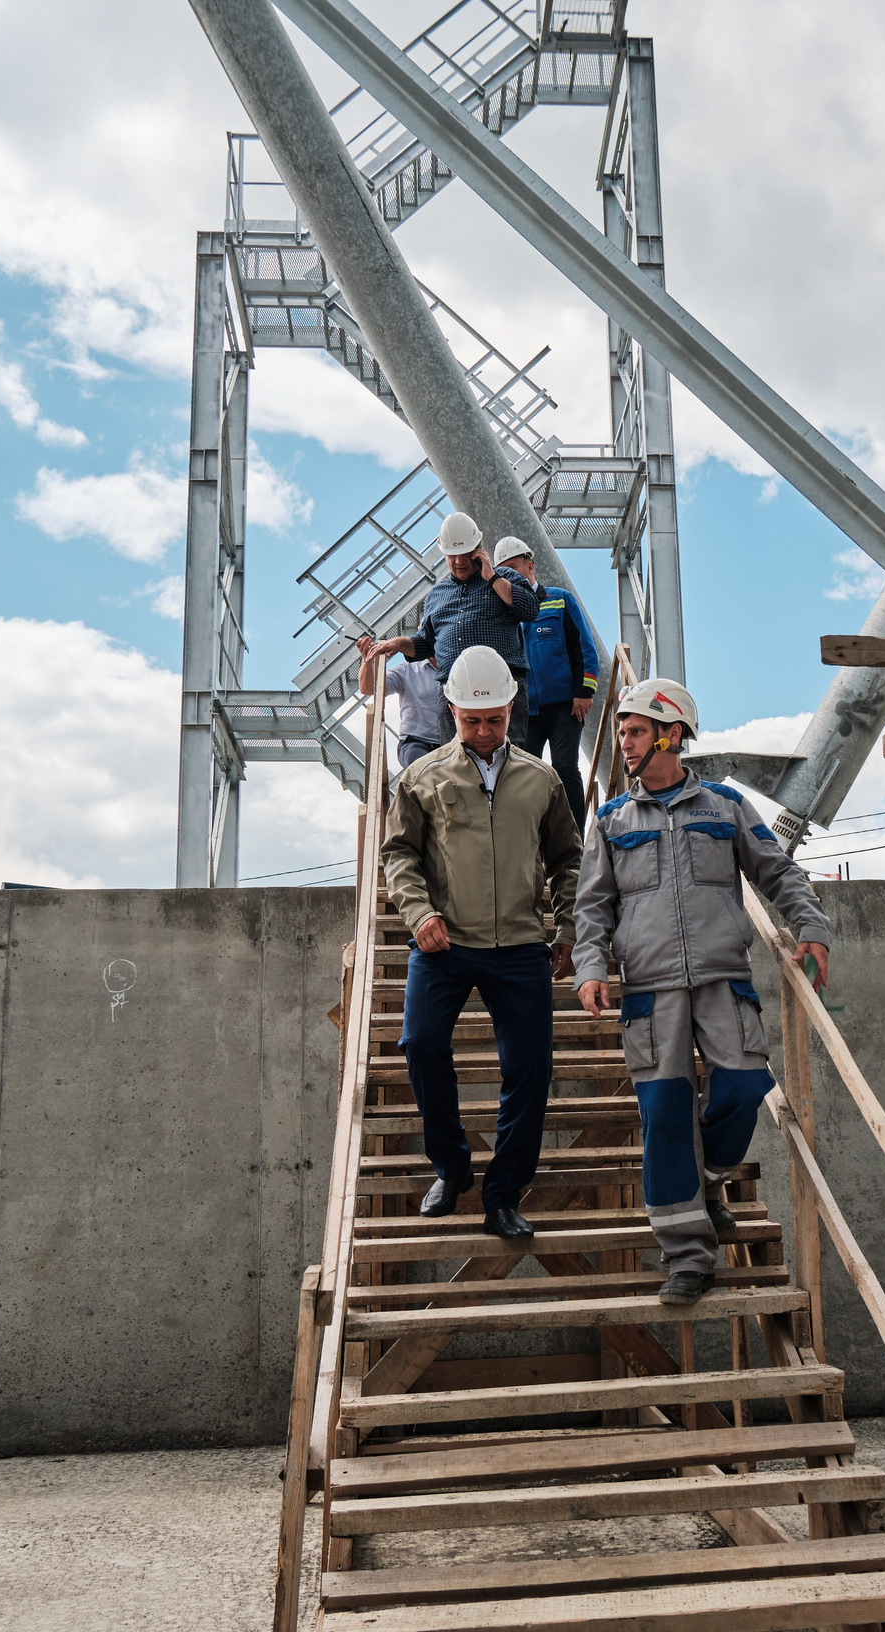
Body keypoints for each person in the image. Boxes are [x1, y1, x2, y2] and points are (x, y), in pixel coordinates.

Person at [572, 677, 832, 1304]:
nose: (625, 743)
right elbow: (592, 908)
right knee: (665, 1116)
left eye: (636, 731)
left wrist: (811, 926)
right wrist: (590, 967)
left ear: (672, 734)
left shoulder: (725, 807)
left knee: (743, 1087)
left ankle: (707, 1180)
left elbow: (777, 870)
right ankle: (687, 1256)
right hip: (649, 990)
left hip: (722, 978)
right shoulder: (610, 821)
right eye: (623, 732)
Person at [381, 645, 584, 1241]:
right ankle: (451, 1167)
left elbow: (569, 860)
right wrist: (418, 914)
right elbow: (398, 855)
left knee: (530, 1069)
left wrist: (568, 928)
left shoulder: (541, 780)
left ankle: (502, 1195)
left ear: (511, 708)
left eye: (495, 719)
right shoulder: (420, 778)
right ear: (451, 711)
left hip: (520, 944)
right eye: (472, 721)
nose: (485, 731)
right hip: (443, 943)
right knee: (420, 1044)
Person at [354, 511, 538, 746]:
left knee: (507, 757)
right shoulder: (437, 595)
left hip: (503, 686)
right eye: (452, 555)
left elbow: (529, 609)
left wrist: (491, 577)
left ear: (479, 550)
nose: (459, 561)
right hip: (454, 692)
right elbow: (426, 644)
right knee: (456, 761)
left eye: (465, 554)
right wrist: (400, 643)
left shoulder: (505, 577)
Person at [497, 536, 605, 830]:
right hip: (524, 711)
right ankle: (533, 839)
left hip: (564, 707)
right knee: (524, 774)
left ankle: (574, 839)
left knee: (565, 767)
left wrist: (584, 691)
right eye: (502, 570)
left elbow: (584, 647)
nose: (509, 575)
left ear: (530, 567)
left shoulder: (560, 599)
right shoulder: (502, 613)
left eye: (513, 567)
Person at [361, 646, 448, 772]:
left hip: (451, 744)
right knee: (423, 768)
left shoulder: (459, 670)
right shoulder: (406, 670)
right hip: (415, 743)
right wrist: (367, 661)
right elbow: (369, 688)